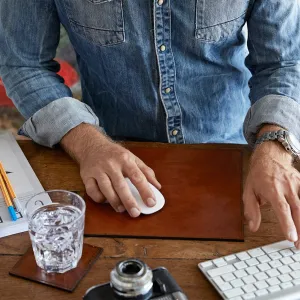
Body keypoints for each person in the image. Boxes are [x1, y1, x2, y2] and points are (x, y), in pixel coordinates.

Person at [1, 1, 300, 246]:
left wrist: (274, 144)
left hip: (233, 157)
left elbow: (284, 62)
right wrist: (86, 142)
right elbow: (22, 64)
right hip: (102, 158)